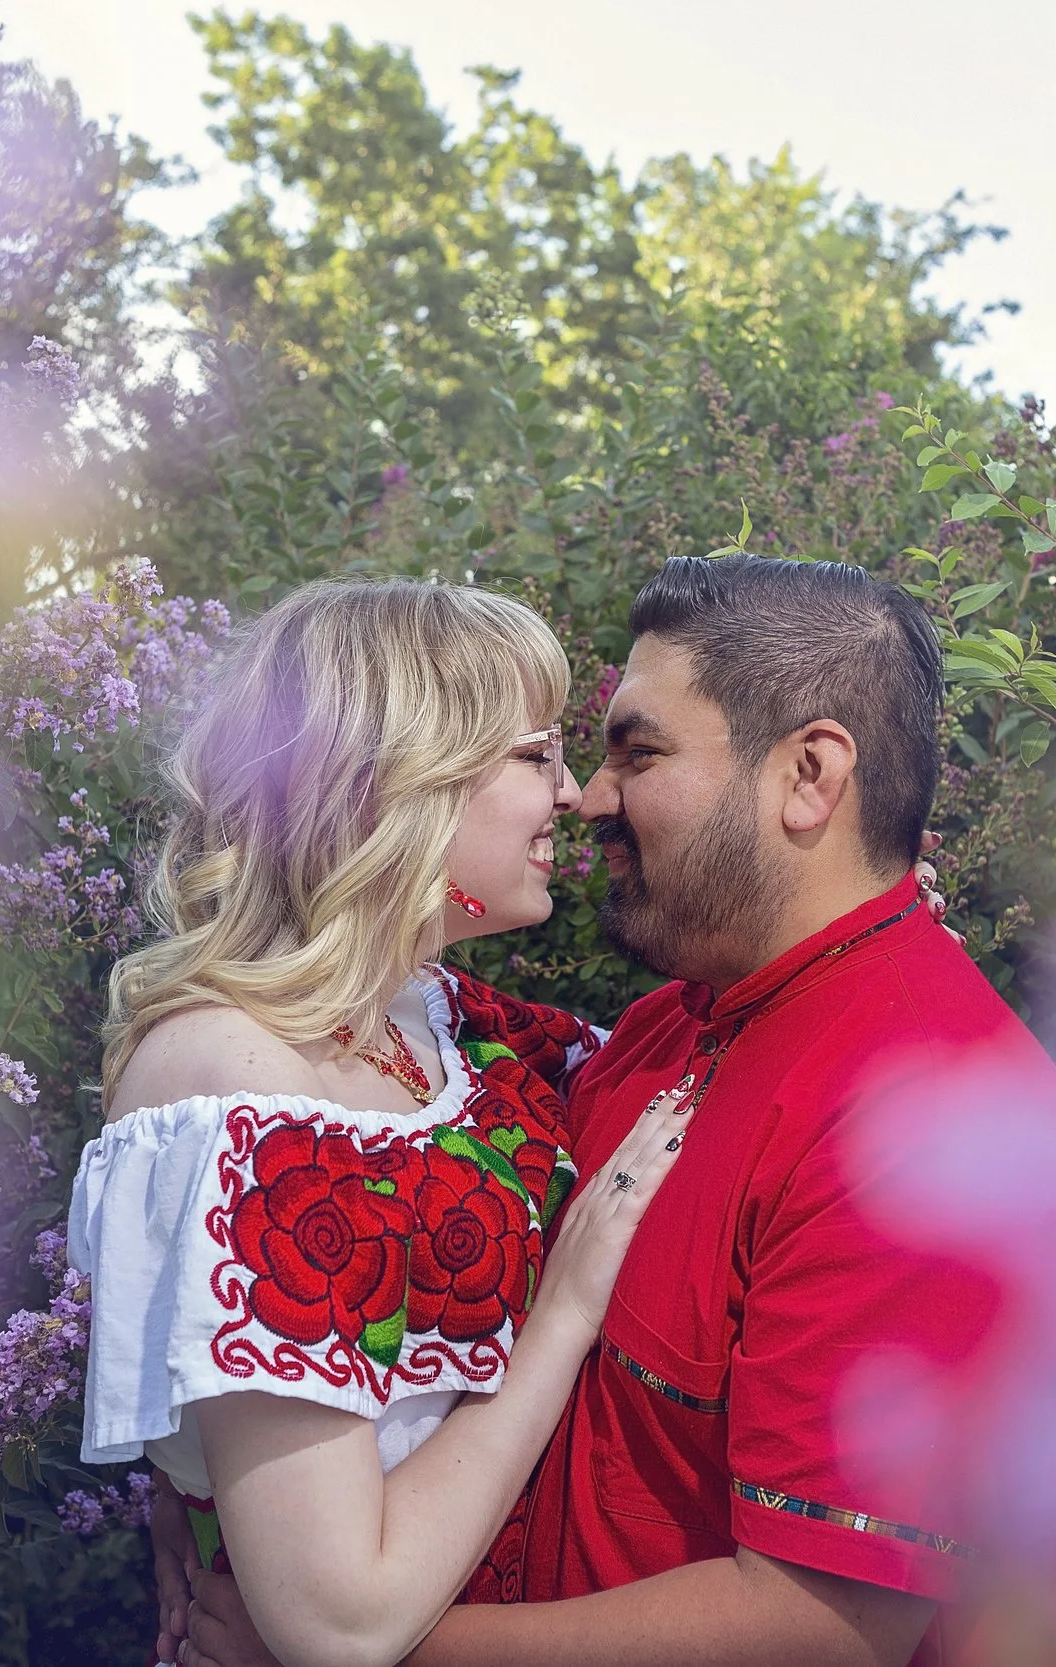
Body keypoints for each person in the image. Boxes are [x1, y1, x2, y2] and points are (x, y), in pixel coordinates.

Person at [160, 555, 1056, 1667]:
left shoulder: (938, 1144)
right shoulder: (670, 1031)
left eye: (639, 750)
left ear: (808, 774)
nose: (591, 796)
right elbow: (367, 1045)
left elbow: (817, 1626)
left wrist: (336, 1641)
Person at [69, 578, 692, 1667]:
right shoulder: (235, 1082)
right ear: (398, 781)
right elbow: (338, 1618)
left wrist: (838, 912)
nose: (574, 795)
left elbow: (686, 1066)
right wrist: (566, 1309)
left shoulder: (446, 1023)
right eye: (533, 754)